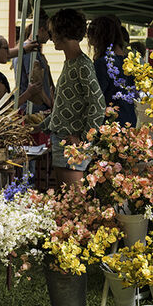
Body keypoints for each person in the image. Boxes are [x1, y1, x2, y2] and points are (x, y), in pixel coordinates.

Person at [45, 9, 107, 184]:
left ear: (62, 32)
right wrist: (40, 125)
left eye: (52, 32)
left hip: (71, 145)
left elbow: (98, 104)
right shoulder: (72, 62)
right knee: (68, 201)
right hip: (64, 141)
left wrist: (84, 137)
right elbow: (64, 107)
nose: (51, 38)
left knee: (74, 203)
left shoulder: (82, 65)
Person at [88, 14, 137, 127]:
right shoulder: (130, 62)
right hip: (130, 121)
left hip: (110, 125)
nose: (91, 44)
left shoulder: (103, 63)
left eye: (92, 40)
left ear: (99, 37)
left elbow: (96, 99)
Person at [17, 13, 54, 114]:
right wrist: (50, 104)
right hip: (33, 109)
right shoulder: (30, 52)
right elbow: (35, 83)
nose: (50, 38)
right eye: (49, 33)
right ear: (41, 30)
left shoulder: (25, 49)